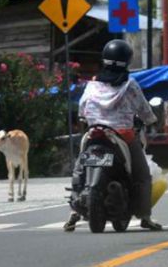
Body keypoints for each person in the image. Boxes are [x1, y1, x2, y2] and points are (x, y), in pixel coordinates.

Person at [64, 40, 162, 232]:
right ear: (127, 61)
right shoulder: (130, 84)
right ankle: (145, 217)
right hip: (122, 135)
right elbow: (144, 110)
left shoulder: (92, 84)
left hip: (94, 133)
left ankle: (74, 212)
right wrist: (151, 121)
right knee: (142, 176)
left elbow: (82, 109)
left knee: (79, 170)